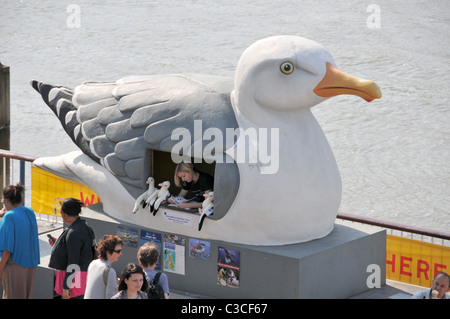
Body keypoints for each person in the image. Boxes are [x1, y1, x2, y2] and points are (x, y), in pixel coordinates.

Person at [48, 198, 95, 299]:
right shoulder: (85, 227)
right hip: (82, 276)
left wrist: (66, 287)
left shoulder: (73, 233)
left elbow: (73, 261)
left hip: (74, 280)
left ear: (64, 214)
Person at [0, 183, 40, 299]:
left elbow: (6, 250)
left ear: (6, 201)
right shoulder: (30, 212)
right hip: (30, 265)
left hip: (15, 266)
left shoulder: (9, 217)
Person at [84, 235, 123, 299]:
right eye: (118, 251)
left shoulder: (93, 263)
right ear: (108, 253)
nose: (121, 253)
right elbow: (111, 297)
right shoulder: (110, 272)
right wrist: (120, 288)